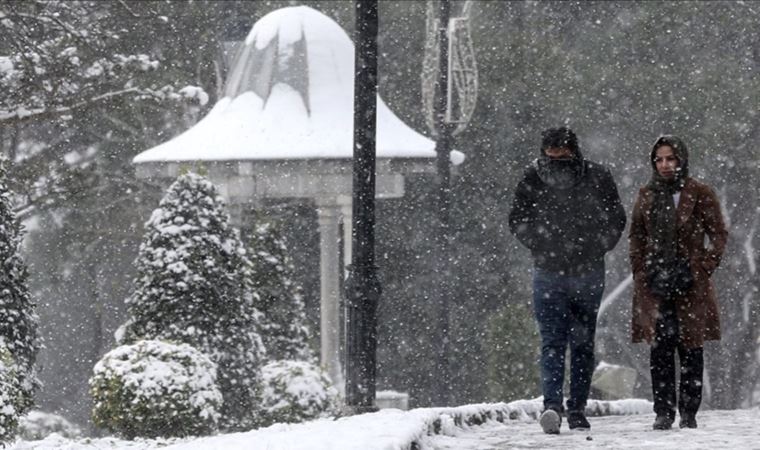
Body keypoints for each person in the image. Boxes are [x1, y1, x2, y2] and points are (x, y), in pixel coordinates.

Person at [509, 127, 626, 434]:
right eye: (552, 156)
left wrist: (592, 245)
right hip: (555, 270)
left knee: (573, 343)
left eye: (562, 155)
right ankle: (558, 406)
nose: (557, 162)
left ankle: (570, 406)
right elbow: (518, 219)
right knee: (562, 342)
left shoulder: (596, 177)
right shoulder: (535, 178)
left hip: (577, 270)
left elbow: (616, 218)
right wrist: (544, 244)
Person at [629, 135, 728, 430]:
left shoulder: (699, 192)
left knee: (690, 347)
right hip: (655, 282)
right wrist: (640, 269)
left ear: (681, 159)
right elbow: (637, 235)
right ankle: (663, 411)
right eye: (659, 159)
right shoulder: (646, 194)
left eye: (670, 158)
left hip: (690, 282)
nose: (664, 165)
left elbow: (719, 233)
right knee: (660, 349)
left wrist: (704, 266)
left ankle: (689, 412)